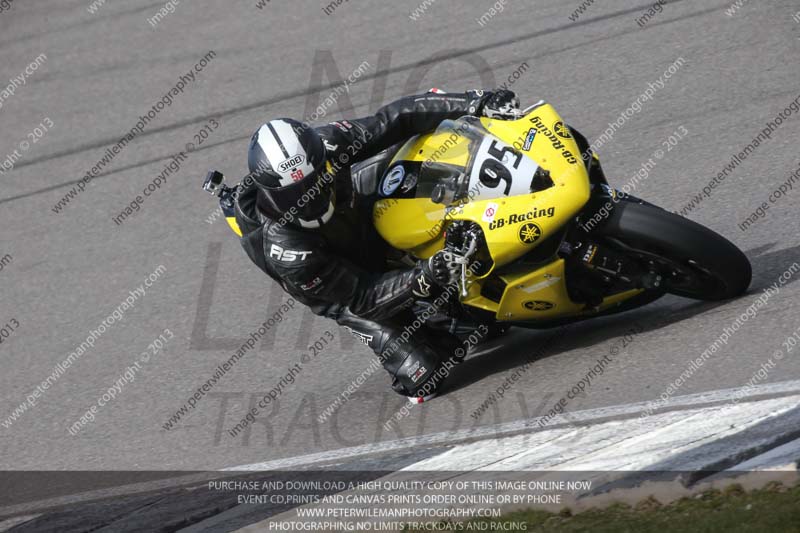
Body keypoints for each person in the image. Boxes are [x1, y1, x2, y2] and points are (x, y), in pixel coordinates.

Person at [233, 89, 520, 403]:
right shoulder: (289, 251)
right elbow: (362, 297)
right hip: (346, 289)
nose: (310, 196)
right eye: (294, 193)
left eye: (315, 181)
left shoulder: (329, 144)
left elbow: (394, 120)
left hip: (358, 219)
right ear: (271, 193)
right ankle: (441, 318)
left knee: (419, 158)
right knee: (424, 374)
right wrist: (426, 276)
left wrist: (475, 103)